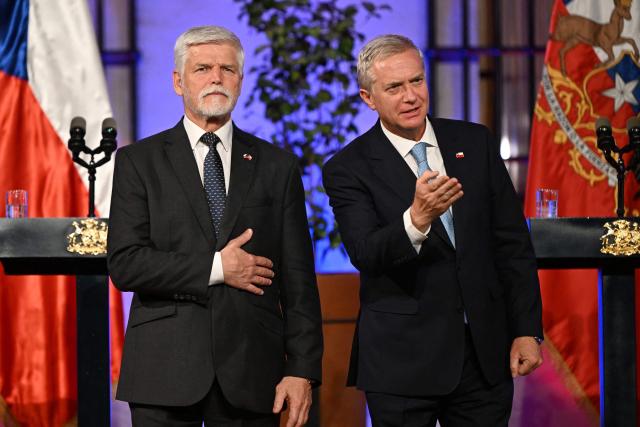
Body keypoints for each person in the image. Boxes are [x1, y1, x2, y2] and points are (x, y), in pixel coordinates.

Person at [322, 34, 543, 426]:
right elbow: (366, 253)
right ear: (368, 98)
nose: (411, 96)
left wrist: (527, 330)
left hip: (483, 359)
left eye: (416, 81)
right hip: (402, 364)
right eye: (394, 87)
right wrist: (417, 219)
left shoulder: (474, 142)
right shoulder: (348, 167)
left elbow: (511, 243)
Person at [107, 26, 323, 427]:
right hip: (163, 372)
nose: (216, 78)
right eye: (202, 68)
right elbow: (126, 263)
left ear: (240, 80)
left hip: (253, 371)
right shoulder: (139, 162)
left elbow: (299, 281)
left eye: (227, 69)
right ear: (178, 81)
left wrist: (302, 370)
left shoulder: (277, 167)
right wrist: (219, 268)